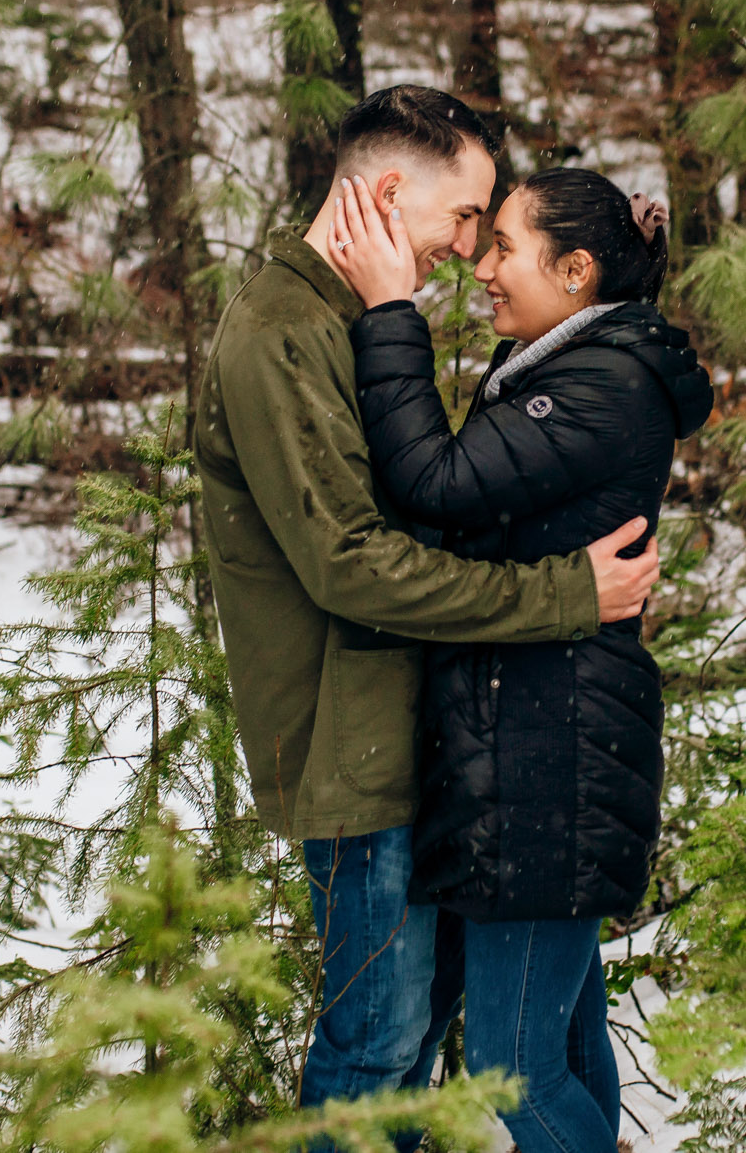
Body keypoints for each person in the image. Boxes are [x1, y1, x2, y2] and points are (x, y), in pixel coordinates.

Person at [191, 86, 663, 1133]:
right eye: (464, 218)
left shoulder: (343, 315)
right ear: (391, 190)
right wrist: (566, 593)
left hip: (420, 745)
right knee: (378, 1041)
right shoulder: (279, 334)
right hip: (353, 757)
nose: (467, 249)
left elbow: (428, 501)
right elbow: (353, 565)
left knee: (423, 1040)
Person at [323, 165, 714, 1153]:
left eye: (504, 248)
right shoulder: (566, 368)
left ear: (576, 269)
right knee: (563, 1038)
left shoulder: (602, 385)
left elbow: (435, 480)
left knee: (511, 1065)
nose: (481, 269)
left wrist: (388, 312)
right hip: (532, 746)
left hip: (550, 758)